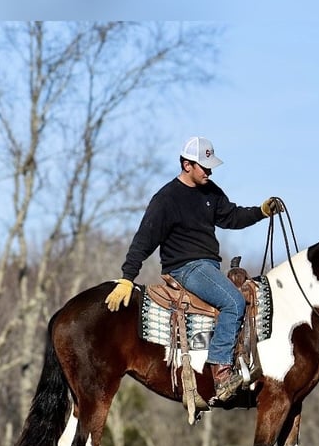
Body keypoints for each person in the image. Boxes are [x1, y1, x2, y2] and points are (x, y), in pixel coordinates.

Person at [104, 136, 281, 402]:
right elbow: (144, 239)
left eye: (210, 167)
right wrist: (128, 278)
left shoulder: (210, 192)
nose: (209, 172)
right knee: (233, 301)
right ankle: (221, 373)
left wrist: (261, 211)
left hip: (208, 265)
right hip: (185, 268)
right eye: (204, 167)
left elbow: (231, 217)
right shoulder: (166, 199)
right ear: (187, 165)